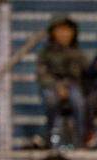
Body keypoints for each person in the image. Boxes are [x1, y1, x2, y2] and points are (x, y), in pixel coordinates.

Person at [38, 16, 88, 148]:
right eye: (60, 30)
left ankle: (80, 140)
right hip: (52, 85)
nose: (64, 34)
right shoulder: (46, 52)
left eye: (67, 30)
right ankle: (50, 138)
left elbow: (83, 72)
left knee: (79, 103)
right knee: (51, 101)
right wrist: (57, 86)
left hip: (72, 85)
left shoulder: (77, 52)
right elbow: (42, 74)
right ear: (53, 32)